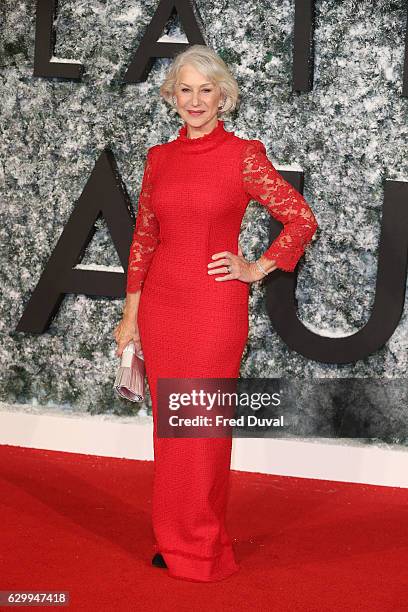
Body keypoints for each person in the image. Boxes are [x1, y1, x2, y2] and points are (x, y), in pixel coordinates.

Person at [113, 44, 319, 583]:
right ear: (171, 96)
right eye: (186, 89)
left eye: (207, 90)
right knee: (169, 429)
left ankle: (200, 549)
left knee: (199, 428)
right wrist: (131, 314)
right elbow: (144, 238)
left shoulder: (244, 154)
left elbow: (300, 219)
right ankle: (172, 538)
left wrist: (256, 267)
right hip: (160, 305)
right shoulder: (160, 158)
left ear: (223, 96)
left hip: (213, 308)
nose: (195, 100)